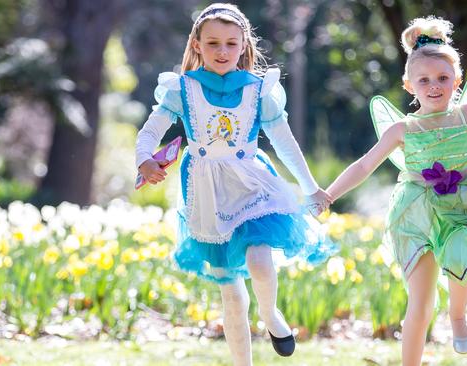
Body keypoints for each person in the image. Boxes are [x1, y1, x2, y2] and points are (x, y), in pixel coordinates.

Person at [325, 16, 467, 366]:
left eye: (443, 78)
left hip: (463, 205)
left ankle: (459, 314)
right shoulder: (403, 128)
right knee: (421, 301)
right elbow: (364, 166)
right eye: (424, 80)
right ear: (409, 85)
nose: (434, 86)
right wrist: (330, 193)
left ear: (456, 80)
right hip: (416, 213)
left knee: (461, 250)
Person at [135, 4, 335, 365]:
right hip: (206, 192)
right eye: (213, 43)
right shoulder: (182, 89)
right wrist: (144, 159)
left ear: (244, 45)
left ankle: (271, 315)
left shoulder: (259, 90)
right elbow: (151, 130)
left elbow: (285, 142)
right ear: (197, 44)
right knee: (229, 289)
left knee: (260, 261)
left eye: (231, 43)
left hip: (252, 183)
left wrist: (310, 187)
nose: (222, 51)